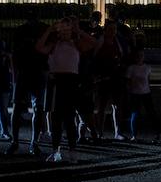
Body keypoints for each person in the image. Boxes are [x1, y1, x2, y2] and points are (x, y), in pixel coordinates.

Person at [35, 17, 96, 162]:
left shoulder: (76, 44)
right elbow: (38, 47)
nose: (64, 32)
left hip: (71, 83)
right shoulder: (53, 44)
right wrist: (49, 29)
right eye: (62, 29)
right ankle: (56, 151)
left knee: (69, 118)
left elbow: (94, 43)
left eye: (67, 29)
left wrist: (78, 31)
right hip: (56, 82)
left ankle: (72, 151)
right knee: (56, 119)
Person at [7, 12, 48, 156]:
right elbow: (13, 55)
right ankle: (29, 143)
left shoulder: (22, 31)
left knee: (22, 108)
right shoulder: (43, 29)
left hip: (30, 73)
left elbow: (13, 55)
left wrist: (14, 76)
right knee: (33, 108)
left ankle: (19, 142)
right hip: (30, 73)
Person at [124, 49, 158, 142]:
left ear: (143, 57)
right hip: (135, 94)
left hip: (146, 93)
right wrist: (129, 92)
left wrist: (149, 89)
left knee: (151, 114)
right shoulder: (131, 68)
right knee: (134, 115)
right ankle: (134, 135)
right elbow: (127, 82)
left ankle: (156, 133)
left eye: (141, 56)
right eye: (138, 56)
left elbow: (148, 80)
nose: (140, 58)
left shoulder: (148, 67)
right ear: (135, 57)